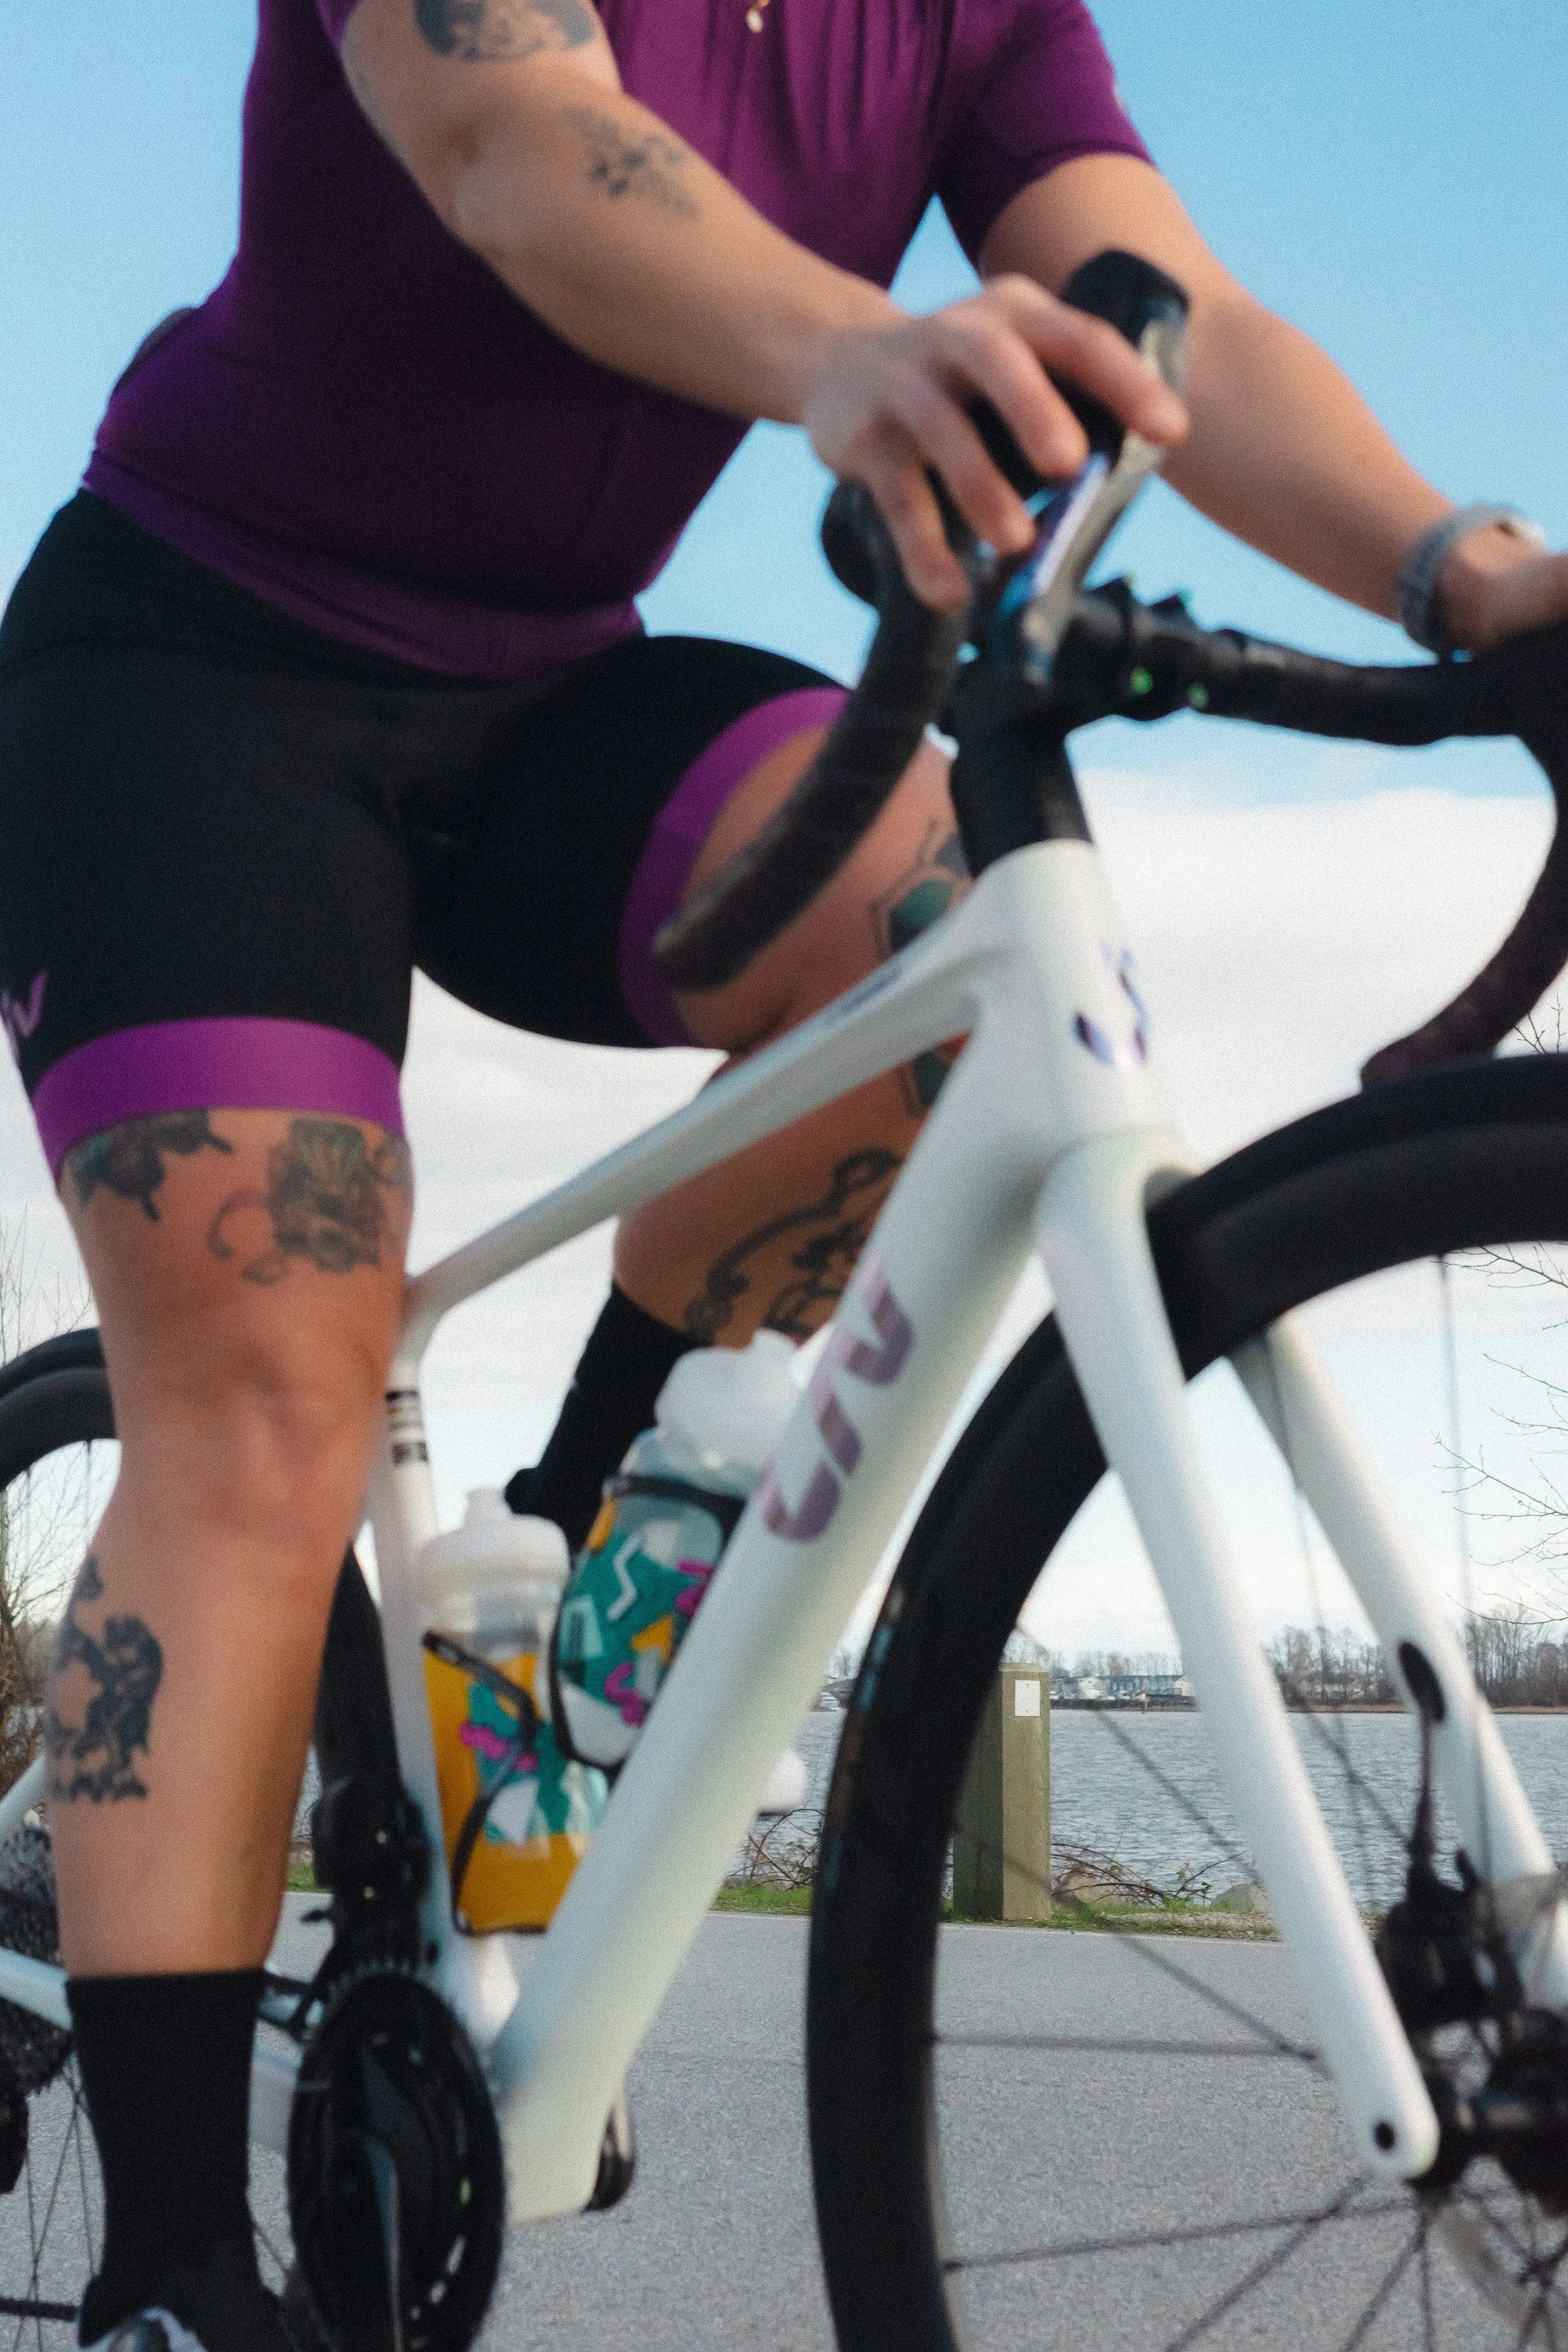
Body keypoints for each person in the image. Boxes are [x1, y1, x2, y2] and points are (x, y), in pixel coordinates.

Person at [1, 2, 1565, 2346]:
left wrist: (1476, 575)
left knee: (947, 925)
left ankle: (536, 1631)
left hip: (547, 683)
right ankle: (172, 2273)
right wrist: (857, 347)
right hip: (193, 674)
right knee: (275, 1383)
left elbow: (1184, 324)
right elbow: (524, 145)